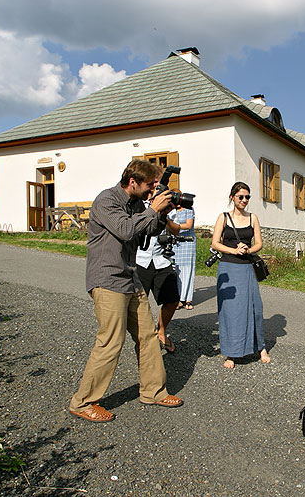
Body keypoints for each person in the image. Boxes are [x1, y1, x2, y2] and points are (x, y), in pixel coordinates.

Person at [69, 158, 183, 422]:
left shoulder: (136, 204)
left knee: (147, 335)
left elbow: (148, 230)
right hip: (108, 280)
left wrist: (162, 212)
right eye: (150, 184)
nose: (153, 189)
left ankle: (153, 391)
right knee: (111, 341)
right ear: (133, 182)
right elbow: (125, 230)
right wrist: (152, 209)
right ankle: (83, 402)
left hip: (130, 280)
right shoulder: (106, 200)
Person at [211, 182, 269, 369]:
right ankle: (231, 353)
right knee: (230, 311)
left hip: (247, 267)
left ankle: (260, 347)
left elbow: (259, 243)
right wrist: (233, 251)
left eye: (247, 197)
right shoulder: (224, 217)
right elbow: (215, 243)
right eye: (240, 197)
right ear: (232, 197)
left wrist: (248, 249)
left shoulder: (253, 218)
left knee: (255, 308)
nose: (244, 200)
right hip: (228, 266)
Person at [136, 190, 182, 354]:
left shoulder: (169, 208)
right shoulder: (138, 204)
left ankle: (161, 332)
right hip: (140, 259)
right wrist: (153, 211)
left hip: (161, 260)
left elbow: (177, 230)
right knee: (138, 302)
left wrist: (164, 216)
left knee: (172, 300)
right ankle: (143, 338)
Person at [168, 190, 196, 310]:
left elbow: (188, 225)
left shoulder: (188, 209)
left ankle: (187, 299)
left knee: (188, 270)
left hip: (187, 242)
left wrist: (174, 227)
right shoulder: (170, 210)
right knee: (176, 271)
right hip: (175, 242)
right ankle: (178, 298)